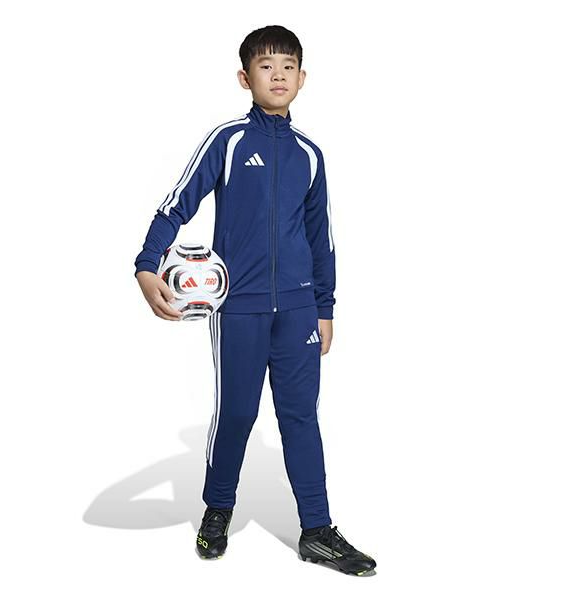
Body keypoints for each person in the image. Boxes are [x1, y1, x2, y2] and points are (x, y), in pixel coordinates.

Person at [134, 25, 377, 577]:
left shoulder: (310, 154)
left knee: (300, 416)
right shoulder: (227, 142)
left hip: (297, 310)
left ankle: (317, 530)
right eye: (266, 66)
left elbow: (321, 237)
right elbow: (176, 205)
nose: (278, 75)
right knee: (238, 412)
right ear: (245, 78)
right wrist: (147, 267)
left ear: (303, 78)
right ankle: (217, 510)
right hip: (238, 308)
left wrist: (325, 307)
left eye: (288, 66)